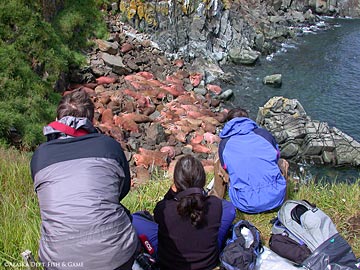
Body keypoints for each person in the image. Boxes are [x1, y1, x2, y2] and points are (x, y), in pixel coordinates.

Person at [30, 89, 138, 270]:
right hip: (115, 256)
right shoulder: (108, 146)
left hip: (59, 261)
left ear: (58, 119)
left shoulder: (40, 156)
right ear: (91, 120)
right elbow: (123, 189)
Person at [132, 155, 236, 270]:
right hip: (208, 263)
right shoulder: (215, 205)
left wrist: (171, 192)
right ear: (203, 181)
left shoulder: (164, 209)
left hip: (169, 264)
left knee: (135, 218)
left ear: (176, 183)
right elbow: (227, 208)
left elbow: (162, 210)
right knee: (229, 208)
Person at [212, 107, 288, 214]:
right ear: (248, 120)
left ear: (229, 123)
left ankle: (217, 195)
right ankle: (285, 199)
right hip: (276, 199)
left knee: (218, 160)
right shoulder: (264, 134)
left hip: (245, 202)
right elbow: (276, 157)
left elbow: (226, 169)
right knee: (283, 163)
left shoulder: (225, 143)